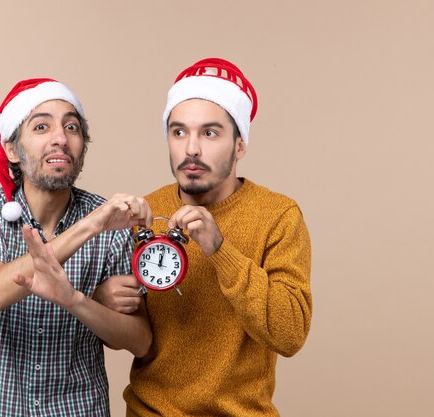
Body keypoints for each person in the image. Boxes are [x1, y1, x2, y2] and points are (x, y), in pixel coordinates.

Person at [94, 58, 312, 416]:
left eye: (209, 133)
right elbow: (131, 338)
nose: (191, 148)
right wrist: (103, 298)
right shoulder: (143, 213)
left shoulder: (278, 216)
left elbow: (289, 336)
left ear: (240, 145)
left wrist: (219, 249)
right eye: (178, 132)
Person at [0, 77, 152, 417]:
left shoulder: (112, 224)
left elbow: (140, 341)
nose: (60, 138)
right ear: (12, 150)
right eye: (41, 126)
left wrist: (76, 300)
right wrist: (90, 226)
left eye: (71, 127)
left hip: (78, 409)